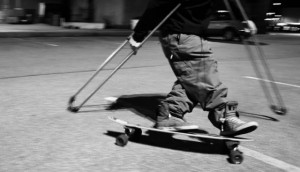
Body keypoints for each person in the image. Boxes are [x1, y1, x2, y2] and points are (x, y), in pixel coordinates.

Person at [128, 0, 258, 136]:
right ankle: (224, 118)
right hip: (181, 34)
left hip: (191, 35)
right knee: (203, 75)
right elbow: (157, 4)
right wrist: (139, 35)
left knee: (191, 79)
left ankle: (171, 114)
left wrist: (244, 19)